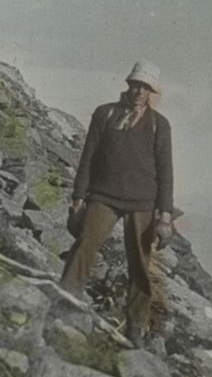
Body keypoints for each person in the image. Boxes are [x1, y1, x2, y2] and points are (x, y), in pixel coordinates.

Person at [61, 60, 176, 346]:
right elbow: (88, 158)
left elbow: (165, 171)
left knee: (140, 263)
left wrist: (165, 216)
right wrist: (78, 199)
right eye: (135, 84)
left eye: (145, 87)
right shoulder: (105, 114)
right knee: (85, 246)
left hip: (143, 203)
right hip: (103, 196)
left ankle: (136, 327)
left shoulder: (159, 126)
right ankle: (64, 303)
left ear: (152, 92)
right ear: (128, 84)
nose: (139, 91)